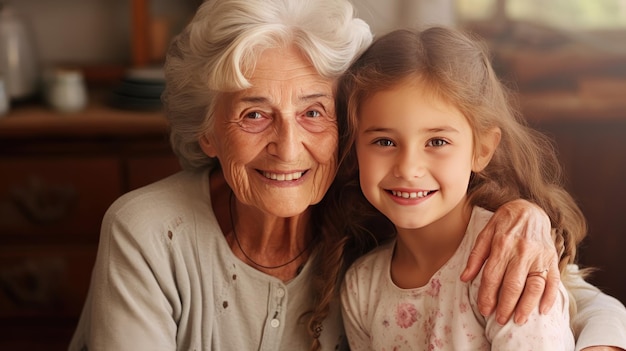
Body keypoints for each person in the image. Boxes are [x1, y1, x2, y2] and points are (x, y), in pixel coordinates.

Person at [67, 1, 625, 350]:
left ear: (343, 128)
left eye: (313, 112)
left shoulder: (377, 211)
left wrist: (525, 220)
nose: (288, 148)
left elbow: (583, 306)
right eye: (254, 113)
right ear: (207, 131)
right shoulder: (146, 231)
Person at [336, 26, 626, 350]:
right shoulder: (361, 286)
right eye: (384, 141)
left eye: (437, 141)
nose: (408, 167)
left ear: (483, 149)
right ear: (353, 148)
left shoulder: (510, 262)